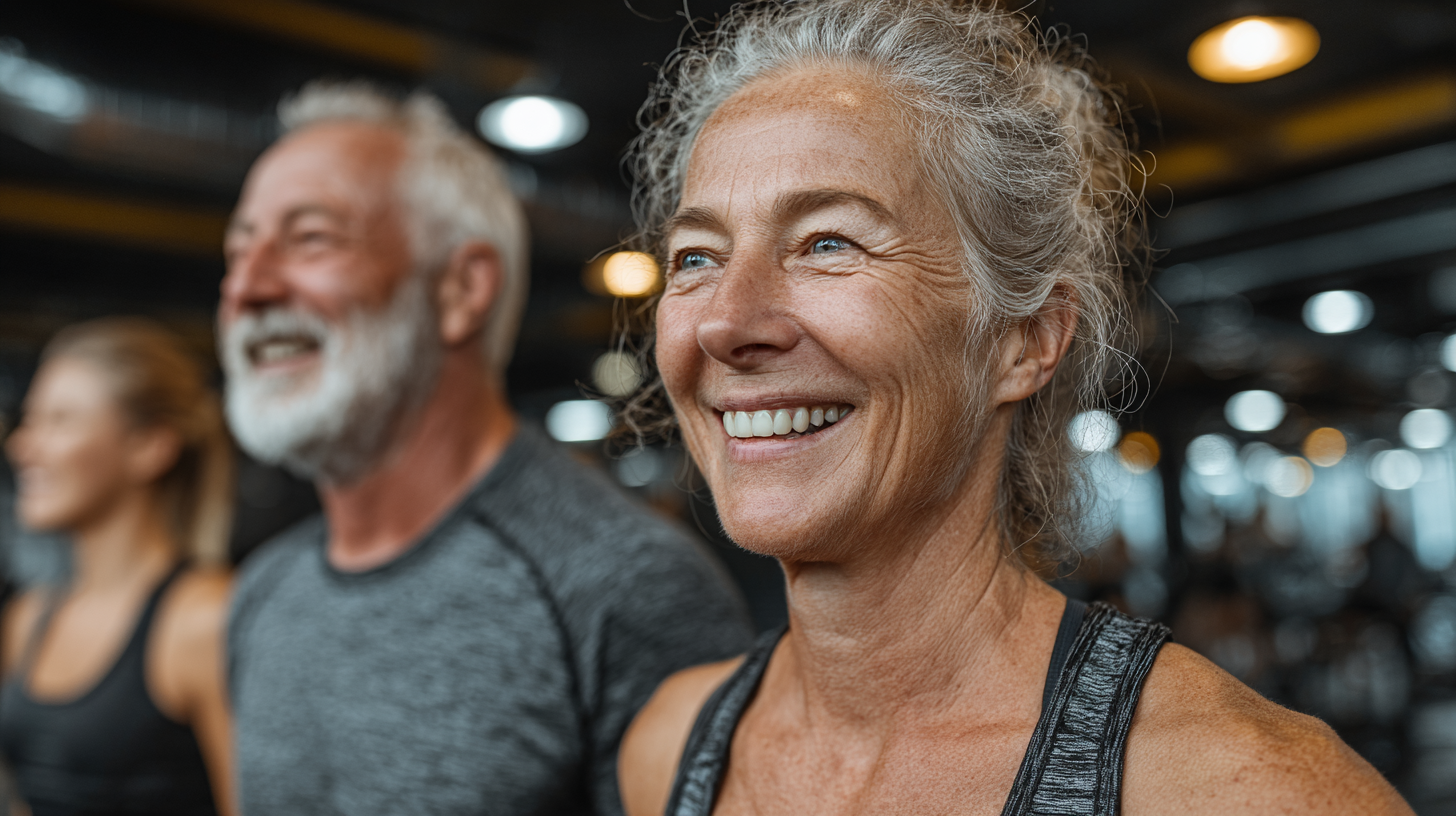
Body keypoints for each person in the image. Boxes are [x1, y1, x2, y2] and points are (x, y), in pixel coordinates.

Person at [615, 3, 1416, 815]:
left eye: (830, 243)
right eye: (696, 257)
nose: (725, 321)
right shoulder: (670, 749)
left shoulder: (1249, 789)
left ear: (1024, 342)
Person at [218, 80, 753, 816]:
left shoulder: (623, 590)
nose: (247, 286)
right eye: (237, 252)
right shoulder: (265, 593)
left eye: (310, 239)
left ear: (461, 290)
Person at [1, 318, 235, 816]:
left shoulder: (204, 619)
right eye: (29, 420)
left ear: (150, 446)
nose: (23, 446)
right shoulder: (27, 619)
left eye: (59, 421)